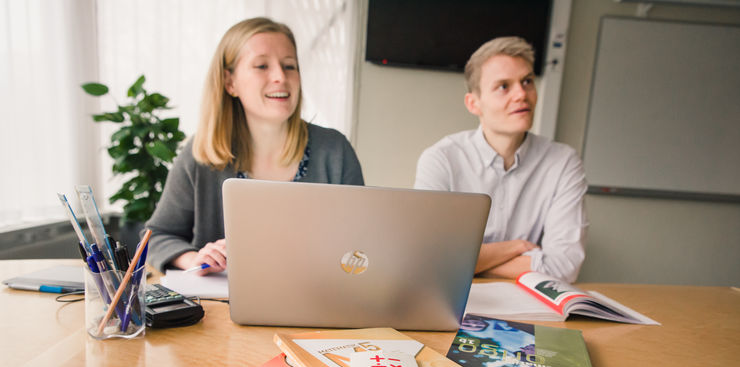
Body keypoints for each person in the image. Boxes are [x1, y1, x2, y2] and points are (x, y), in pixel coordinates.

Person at [145, 17, 364, 274]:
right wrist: (193, 259)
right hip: (223, 310)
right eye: (262, 66)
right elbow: (156, 236)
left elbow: (362, 244)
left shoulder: (335, 150)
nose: (280, 77)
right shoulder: (200, 154)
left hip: (319, 304)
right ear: (230, 83)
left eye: (290, 66)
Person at [414, 37, 587, 283]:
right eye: (504, 86)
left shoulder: (563, 162)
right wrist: (514, 247)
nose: (521, 94)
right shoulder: (441, 159)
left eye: (527, 81)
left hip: (531, 303)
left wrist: (468, 263)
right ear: (474, 104)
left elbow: (564, 267)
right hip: (454, 300)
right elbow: (426, 259)